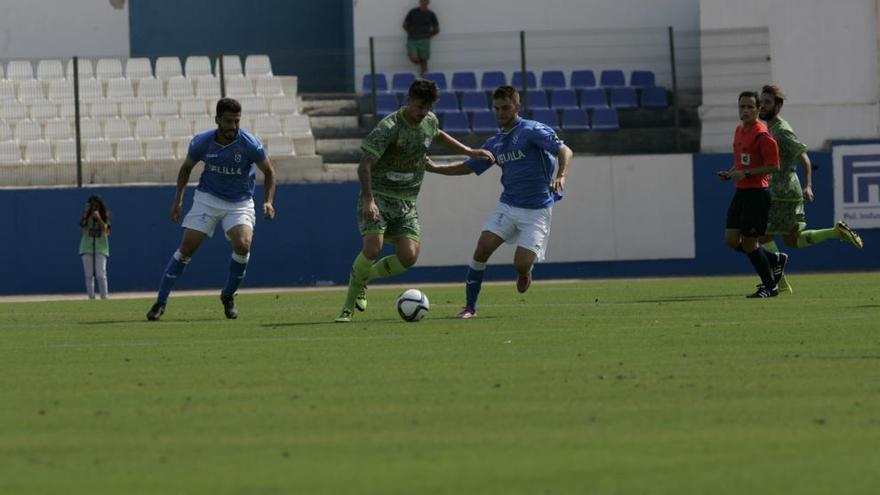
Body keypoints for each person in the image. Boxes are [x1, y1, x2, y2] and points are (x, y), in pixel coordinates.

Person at [335, 79, 494, 323]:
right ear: (408, 101)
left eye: (428, 107)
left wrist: (470, 152)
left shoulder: (429, 121)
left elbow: (437, 135)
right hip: (380, 197)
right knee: (372, 249)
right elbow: (365, 164)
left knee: (409, 257)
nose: (423, 113)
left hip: (407, 202)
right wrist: (369, 200)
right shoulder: (389, 126)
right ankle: (347, 307)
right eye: (420, 106)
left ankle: (365, 276)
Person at [426, 85, 573, 318]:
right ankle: (470, 307)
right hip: (508, 205)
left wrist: (562, 175)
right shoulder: (495, 143)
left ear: (517, 106)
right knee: (482, 249)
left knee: (520, 264)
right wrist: (435, 169)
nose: (501, 113)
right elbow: (468, 167)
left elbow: (564, 150)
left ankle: (525, 271)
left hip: (537, 210)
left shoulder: (532, 130)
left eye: (506, 107)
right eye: (496, 108)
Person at [146, 97, 276, 321]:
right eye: (228, 121)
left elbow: (270, 172)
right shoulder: (201, 142)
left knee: (243, 245)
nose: (233, 127)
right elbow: (186, 169)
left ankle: (228, 296)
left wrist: (268, 201)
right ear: (217, 120)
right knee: (187, 249)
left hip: (239, 202)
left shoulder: (250, 144)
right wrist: (178, 201)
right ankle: (161, 302)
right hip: (208, 199)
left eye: (236, 121)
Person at [756, 84, 863, 293]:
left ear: (778, 106)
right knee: (792, 240)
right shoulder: (771, 128)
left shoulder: (782, 130)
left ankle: (779, 282)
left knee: (762, 236)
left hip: (783, 192)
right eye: (761, 102)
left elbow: (803, 157)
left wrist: (808, 186)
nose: (762, 106)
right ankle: (835, 232)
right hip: (783, 191)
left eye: (767, 102)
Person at [718, 91, 786, 298]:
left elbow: (774, 167)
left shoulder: (763, 135)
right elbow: (742, 162)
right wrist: (731, 173)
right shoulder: (739, 130)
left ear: (758, 110)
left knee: (749, 243)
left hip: (757, 194)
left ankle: (770, 287)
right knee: (731, 240)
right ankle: (774, 260)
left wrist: (746, 173)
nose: (745, 110)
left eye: (750, 107)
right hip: (741, 192)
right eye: (742, 106)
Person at [79, 194, 111, 300]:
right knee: (88, 275)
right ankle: (91, 298)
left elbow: (107, 230)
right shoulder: (86, 216)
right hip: (87, 246)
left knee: (101, 273)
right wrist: (85, 214)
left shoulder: (105, 216)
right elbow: (82, 229)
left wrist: (99, 218)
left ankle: (104, 297)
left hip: (101, 247)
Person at [403, 0, 439, 75]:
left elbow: (437, 29)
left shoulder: (431, 14)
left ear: (428, 2)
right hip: (412, 39)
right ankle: (421, 64)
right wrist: (411, 32)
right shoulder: (412, 12)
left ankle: (424, 78)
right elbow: (405, 25)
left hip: (425, 39)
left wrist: (429, 35)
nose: (424, 3)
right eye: (422, 1)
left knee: (424, 60)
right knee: (414, 58)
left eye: (425, 1)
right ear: (419, 2)